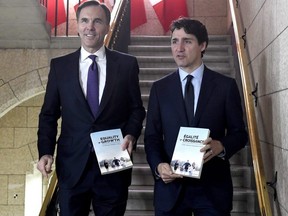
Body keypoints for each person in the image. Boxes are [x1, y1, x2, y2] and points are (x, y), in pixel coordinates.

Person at [37, 1, 146, 215]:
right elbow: (49, 114)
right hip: (72, 166)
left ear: (106, 27)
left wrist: (132, 134)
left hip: (113, 165)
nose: (90, 27)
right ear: (77, 25)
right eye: (84, 21)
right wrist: (45, 151)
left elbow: (137, 109)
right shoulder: (60, 67)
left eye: (97, 21)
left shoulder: (127, 65)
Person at [144, 17, 248, 215]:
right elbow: (152, 137)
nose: (179, 48)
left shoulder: (225, 87)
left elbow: (239, 134)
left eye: (187, 41)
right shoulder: (160, 89)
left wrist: (221, 146)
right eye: (174, 41)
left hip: (213, 190)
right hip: (171, 190)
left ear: (203, 45)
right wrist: (159, 166)